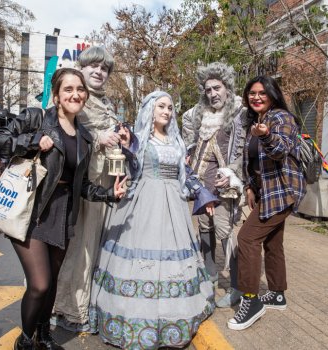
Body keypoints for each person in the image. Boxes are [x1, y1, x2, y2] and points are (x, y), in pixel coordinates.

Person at [0, 67, 126, 350]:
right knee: (39, 284)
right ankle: (25, 340)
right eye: (68, 89)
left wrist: (110, 194)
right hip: (33, 210)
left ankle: (44, 335)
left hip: (64, 214)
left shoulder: (85, 137)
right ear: (56, 94)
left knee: (51, 284)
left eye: (80, 89)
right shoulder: (36, 118)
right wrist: (31, 141)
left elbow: (83, 185)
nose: (75, 94)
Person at [88, 91, 217, 349]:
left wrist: (204, 194)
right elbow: (129, 166)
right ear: (150, 109)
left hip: (174, 207)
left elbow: (186, 173)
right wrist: (125, 147)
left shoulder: (178, 142)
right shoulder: (139, 140)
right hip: (143, 202)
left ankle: (173, 317)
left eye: (170, 107)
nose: (167, 111)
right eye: (161, 106)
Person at [52, 46, 123, 332]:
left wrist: (120, 136)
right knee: (77, 248)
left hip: (103, 184)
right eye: (92, 65)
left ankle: (82, 305)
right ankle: (66, 308)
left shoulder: (106, 103)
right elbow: (60, 129)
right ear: (81, 69)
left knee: (92, 246)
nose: (98, 71)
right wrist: (97, 135)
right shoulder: (75, 99)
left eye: (104, 68)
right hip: (81, 183)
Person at [227, 76, 306, 331]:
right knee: (273, 241)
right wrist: (250, 186)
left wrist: (267, 136)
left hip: (282, 191)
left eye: (262, 93)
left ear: (272, 95)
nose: (256, 97)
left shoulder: (280, 118)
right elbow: (252, 161)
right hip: (265, 192)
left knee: (247, 239)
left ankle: (251, 301)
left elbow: (280, 150)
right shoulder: (256, 120)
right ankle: (277, 293)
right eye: (252, 93)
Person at [182, 62, 247, 308]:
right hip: (202, 185)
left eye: (216, 88)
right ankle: (209, 278)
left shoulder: (239, 114)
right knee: (205, 230)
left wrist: (232, 172)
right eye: (208, 90)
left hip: (225, 186)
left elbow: (243, 152)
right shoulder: (198, 115)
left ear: (227, 88)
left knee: (225, 234)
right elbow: (191, 143)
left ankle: (237, 286)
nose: (212, 94)